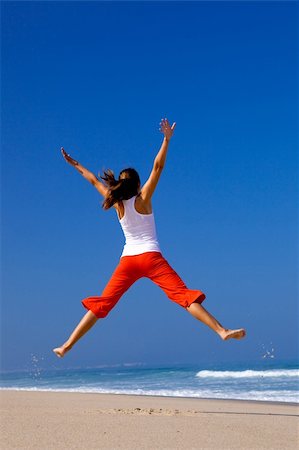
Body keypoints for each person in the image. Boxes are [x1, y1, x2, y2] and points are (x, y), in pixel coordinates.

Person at [53, 118, 246, 358]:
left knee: (103, 303)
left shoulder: (117, 205)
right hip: (151, 258)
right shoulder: (142, 199)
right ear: (137, 184)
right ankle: (221, 330)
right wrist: (166, 140)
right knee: (183, 296)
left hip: (128, 261)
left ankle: (67, 345)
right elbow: (157, 168)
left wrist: (75, 164)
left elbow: (92, 179)